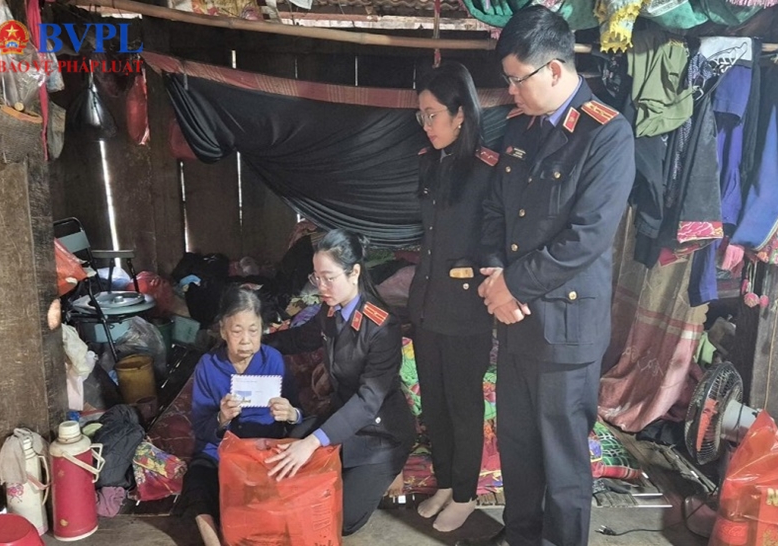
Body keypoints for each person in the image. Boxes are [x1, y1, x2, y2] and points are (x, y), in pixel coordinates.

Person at [459, 6, 636, 546]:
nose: (511, 91)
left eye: (518, 79)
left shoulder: (607, 134)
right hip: (515, 321)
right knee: (516, 447)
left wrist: (512, 285)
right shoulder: (520, 128)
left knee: (562, 462)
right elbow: (495, 209)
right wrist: (495, 274)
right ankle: (520, 536)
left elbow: (586, 237)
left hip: (565, 330)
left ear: (554, 69)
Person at [265, 228, 416, 536]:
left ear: (354, 272)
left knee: (340, 519)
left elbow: (368, 400)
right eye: (316, 277)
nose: (321, 287)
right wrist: (259, 342)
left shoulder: (381, 326)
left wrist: (313, 442)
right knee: (288, 449)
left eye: (329, 277)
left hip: (379, 433)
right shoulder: (330, 309)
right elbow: (302, 338)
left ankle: (390, 467)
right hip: (342, 416)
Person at [407, 61, 497, 532]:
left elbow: (494, 240)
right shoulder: (428, 161)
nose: (426, 124)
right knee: (434, 402)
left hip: (465, 309)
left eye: (433, 114)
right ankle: (445, 480)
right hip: (426, 303)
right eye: (420, 115)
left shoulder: (487, 169)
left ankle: (464, 492)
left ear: (460, 114)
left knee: (464, 404)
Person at [177, 285, 301, 546]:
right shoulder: (208, 366)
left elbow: (299, 413)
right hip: (220, 452)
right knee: (197, 484)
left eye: (253, 330)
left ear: (262, 329)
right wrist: (221, 419)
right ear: (223, 330)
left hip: (264, 451)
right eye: (237, 331)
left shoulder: (273, 360)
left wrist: (291, 413)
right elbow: (200, 427)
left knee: (282, 488)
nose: (246, 339)